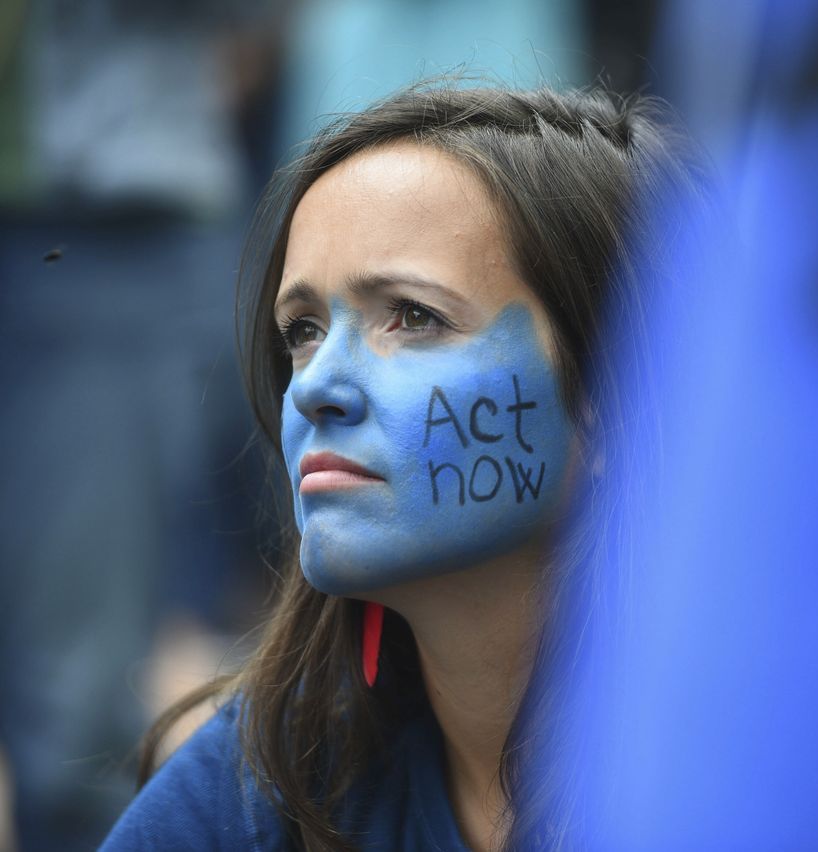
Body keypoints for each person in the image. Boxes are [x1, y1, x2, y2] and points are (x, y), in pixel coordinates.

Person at [100, 81, 711, 851]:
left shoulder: (764, 773)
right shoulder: (277, 774)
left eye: (413, 317)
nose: (313, 386)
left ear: (610, 388)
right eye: (303, 330)